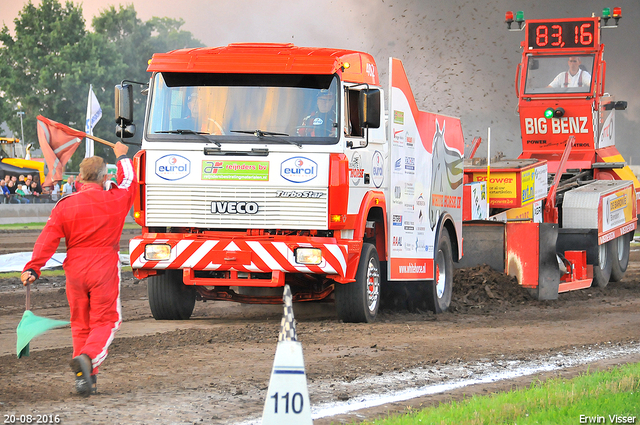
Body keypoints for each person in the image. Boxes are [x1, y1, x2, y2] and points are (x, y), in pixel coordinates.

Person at [21, 142, 136, 397]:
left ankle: (86, 380)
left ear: (80, 177)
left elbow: (47, 238)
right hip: (104, 264)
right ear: (104, 178)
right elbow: (129, 180)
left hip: (74, 268)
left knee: (80, 324)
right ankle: (89, 358)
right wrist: (122, 156)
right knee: (106, 321)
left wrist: (33, 267)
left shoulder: (65, 204)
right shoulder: (115, 199)